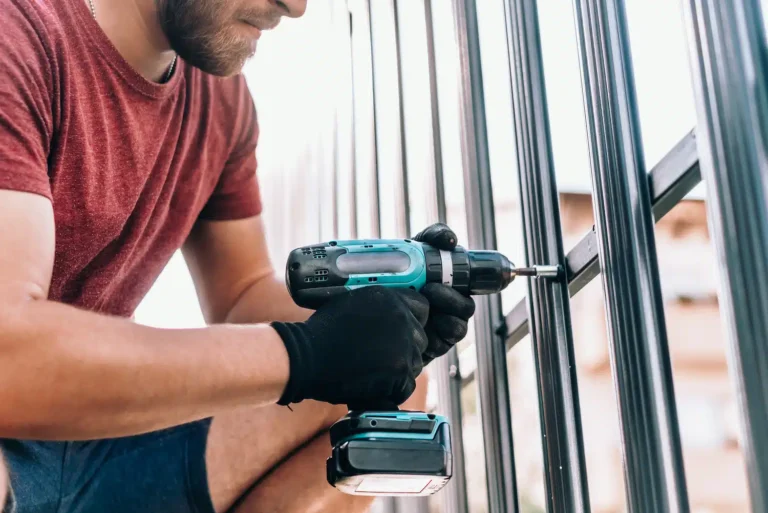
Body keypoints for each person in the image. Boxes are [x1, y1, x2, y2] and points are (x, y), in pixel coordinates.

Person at [0, 0, 476, 512]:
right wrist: (307, 353)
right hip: (19, 425)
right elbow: (10, 361)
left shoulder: (219, 99)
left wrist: (385, 317)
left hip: (94, 448)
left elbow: (241, 296)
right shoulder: (19, 35)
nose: (295, 7)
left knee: (393, 387)